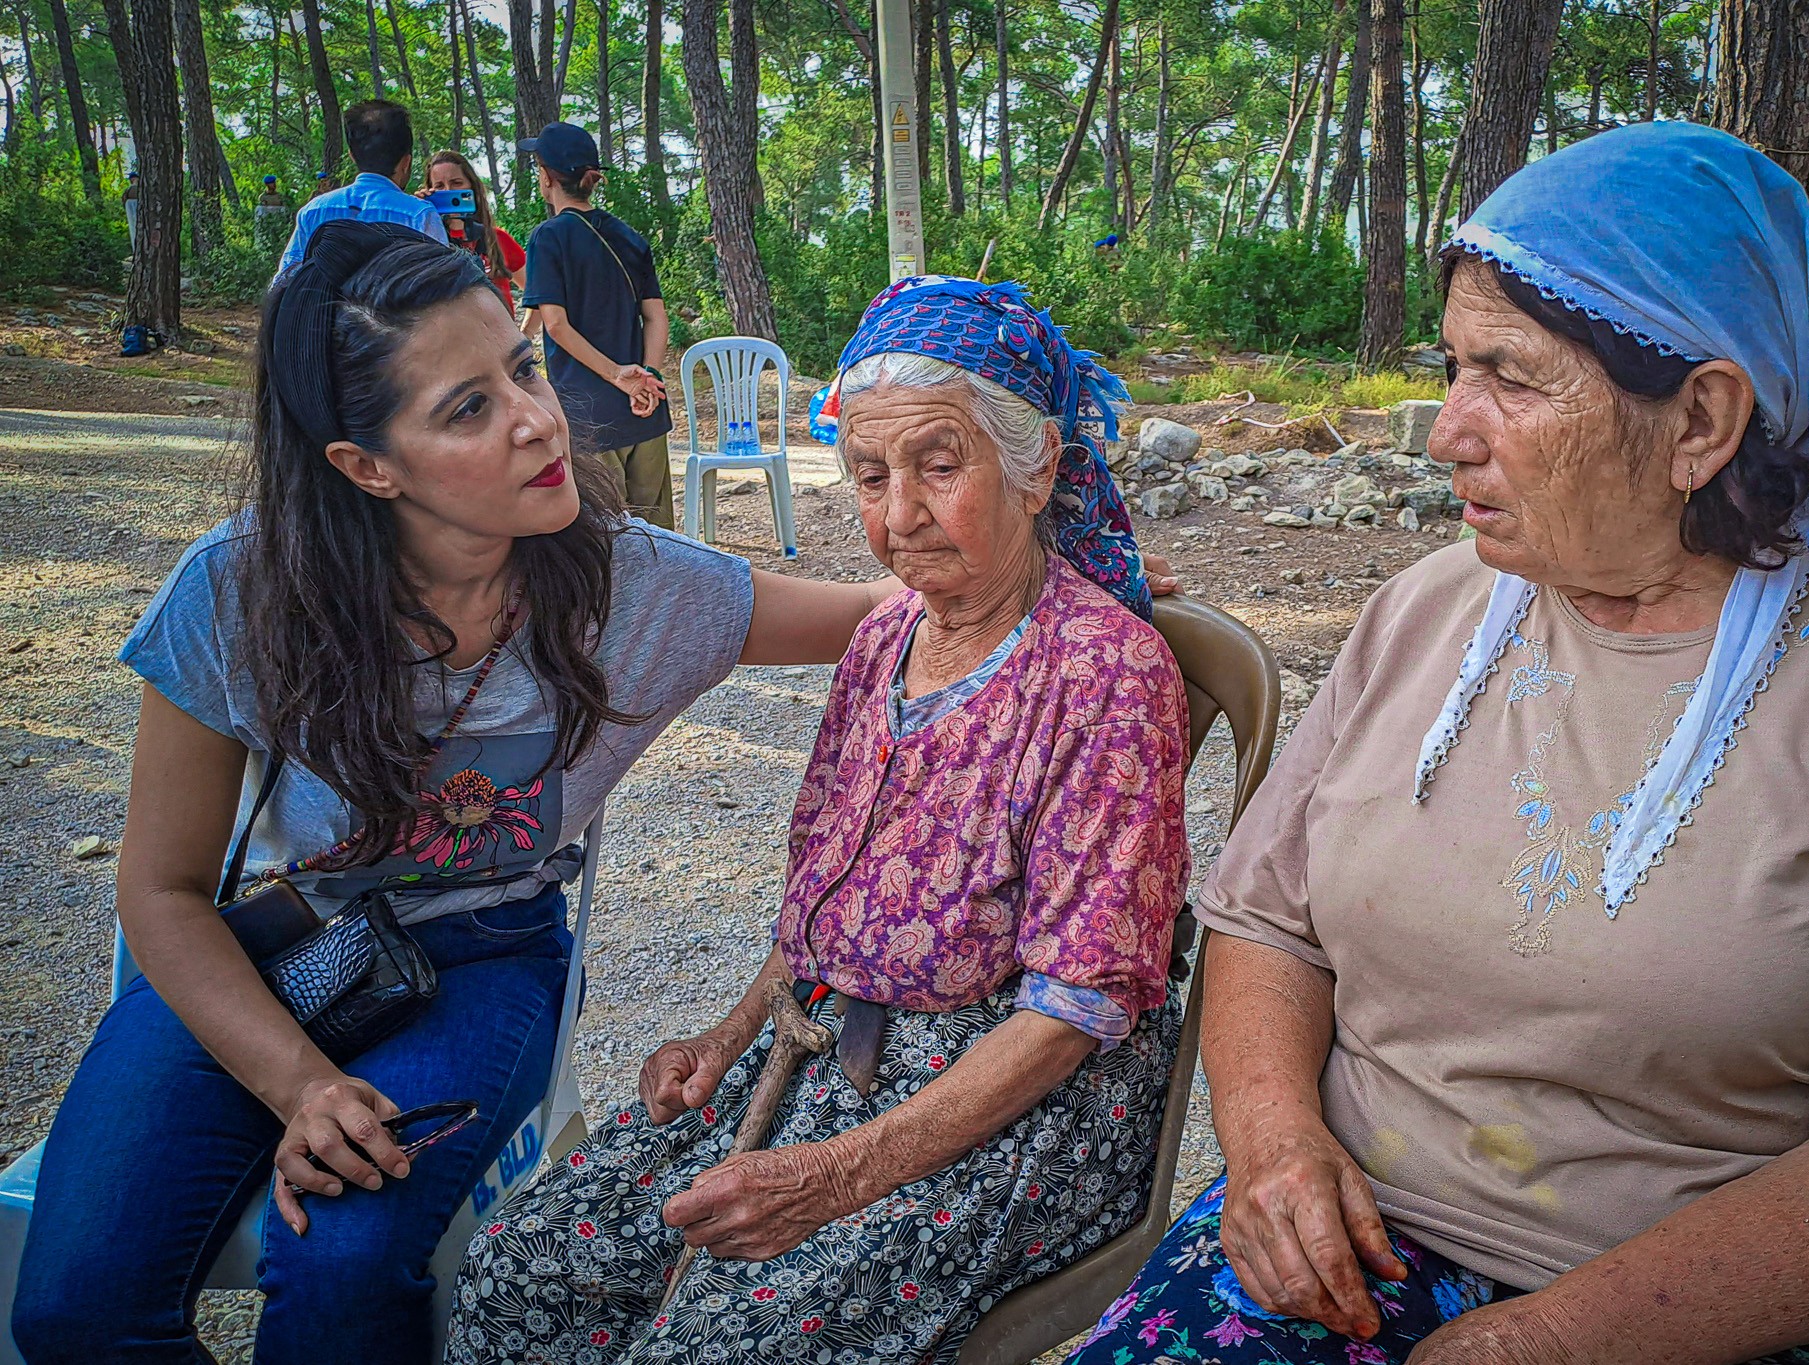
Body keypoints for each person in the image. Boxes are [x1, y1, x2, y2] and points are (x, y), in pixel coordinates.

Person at [1069, 123, 1809, 1365]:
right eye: (1450, 366)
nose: (1445, 432)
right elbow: (1267, 921)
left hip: (1746, 1316)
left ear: (1699, 419)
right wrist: (1269, 1146)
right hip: (1373, 1246)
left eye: (1511, 378)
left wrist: (1540, 1343)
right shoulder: (1432, 606)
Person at [7, 220, 956, 1365]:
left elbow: (873, 614)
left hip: (481, 959)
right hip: (259, 966)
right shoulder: (240, 591)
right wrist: (301, 1084)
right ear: (366, 466)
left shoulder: (630, 587)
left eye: (521, 366)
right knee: (73, 1312)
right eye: (466, 409)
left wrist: (1072, 587)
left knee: (344, 1270)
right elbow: (160, 889)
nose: (534, 418)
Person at [445, 276, 1188, 1365]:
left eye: (940, 467)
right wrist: (729, 1034)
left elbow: (1075, 1009)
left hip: (1003, 1106)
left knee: (710, 1348)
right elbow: (830, 894)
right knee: (522, 1267)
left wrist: (829, 1179)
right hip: (825, 1046)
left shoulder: (1105, 672)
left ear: (1036, 469)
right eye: (869, 476)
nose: (897, 516)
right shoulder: (887, 635)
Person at [518, 121, 675, 531]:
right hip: (647, 408)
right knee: (659, 537)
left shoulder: (548, 238)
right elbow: (657, 317)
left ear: (547, 176)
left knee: (608, 538)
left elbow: (555, 325)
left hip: (589, 415)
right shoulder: (629, 236)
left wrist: (619, 378)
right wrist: (649, 377)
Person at [275, 100, 446, 276]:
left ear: (352, 157)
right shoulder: (420, 215)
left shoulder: (312, 211)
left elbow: (284, 280)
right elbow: (442, 283)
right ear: (406, 162)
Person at [423, 150, 526, 316]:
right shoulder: (426, 242)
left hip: (500, 338)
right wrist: (418, 214)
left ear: (472, 186)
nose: (449, 191)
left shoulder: (497, 239)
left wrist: (525, 334)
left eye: (456, 183)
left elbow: (537, 291)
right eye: (439, 186)